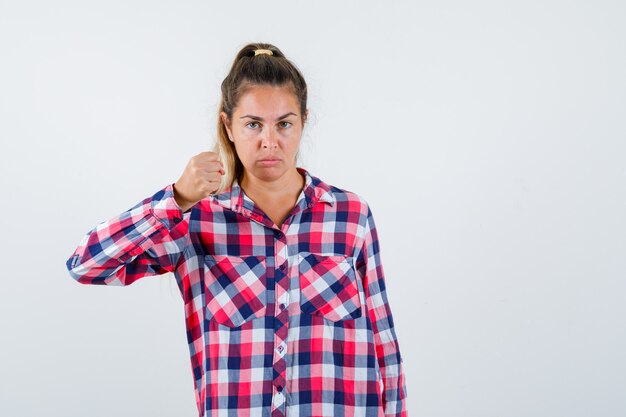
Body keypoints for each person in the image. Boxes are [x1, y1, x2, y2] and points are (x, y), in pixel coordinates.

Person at [66, 42, 408, 417]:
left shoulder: (350, 216)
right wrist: (176, 198)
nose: (269, 141)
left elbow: (383, 346)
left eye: (284, 124)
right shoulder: (197, 221)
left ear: (303, 122)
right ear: (228, 125)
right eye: (253, 124)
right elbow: (86, 265)